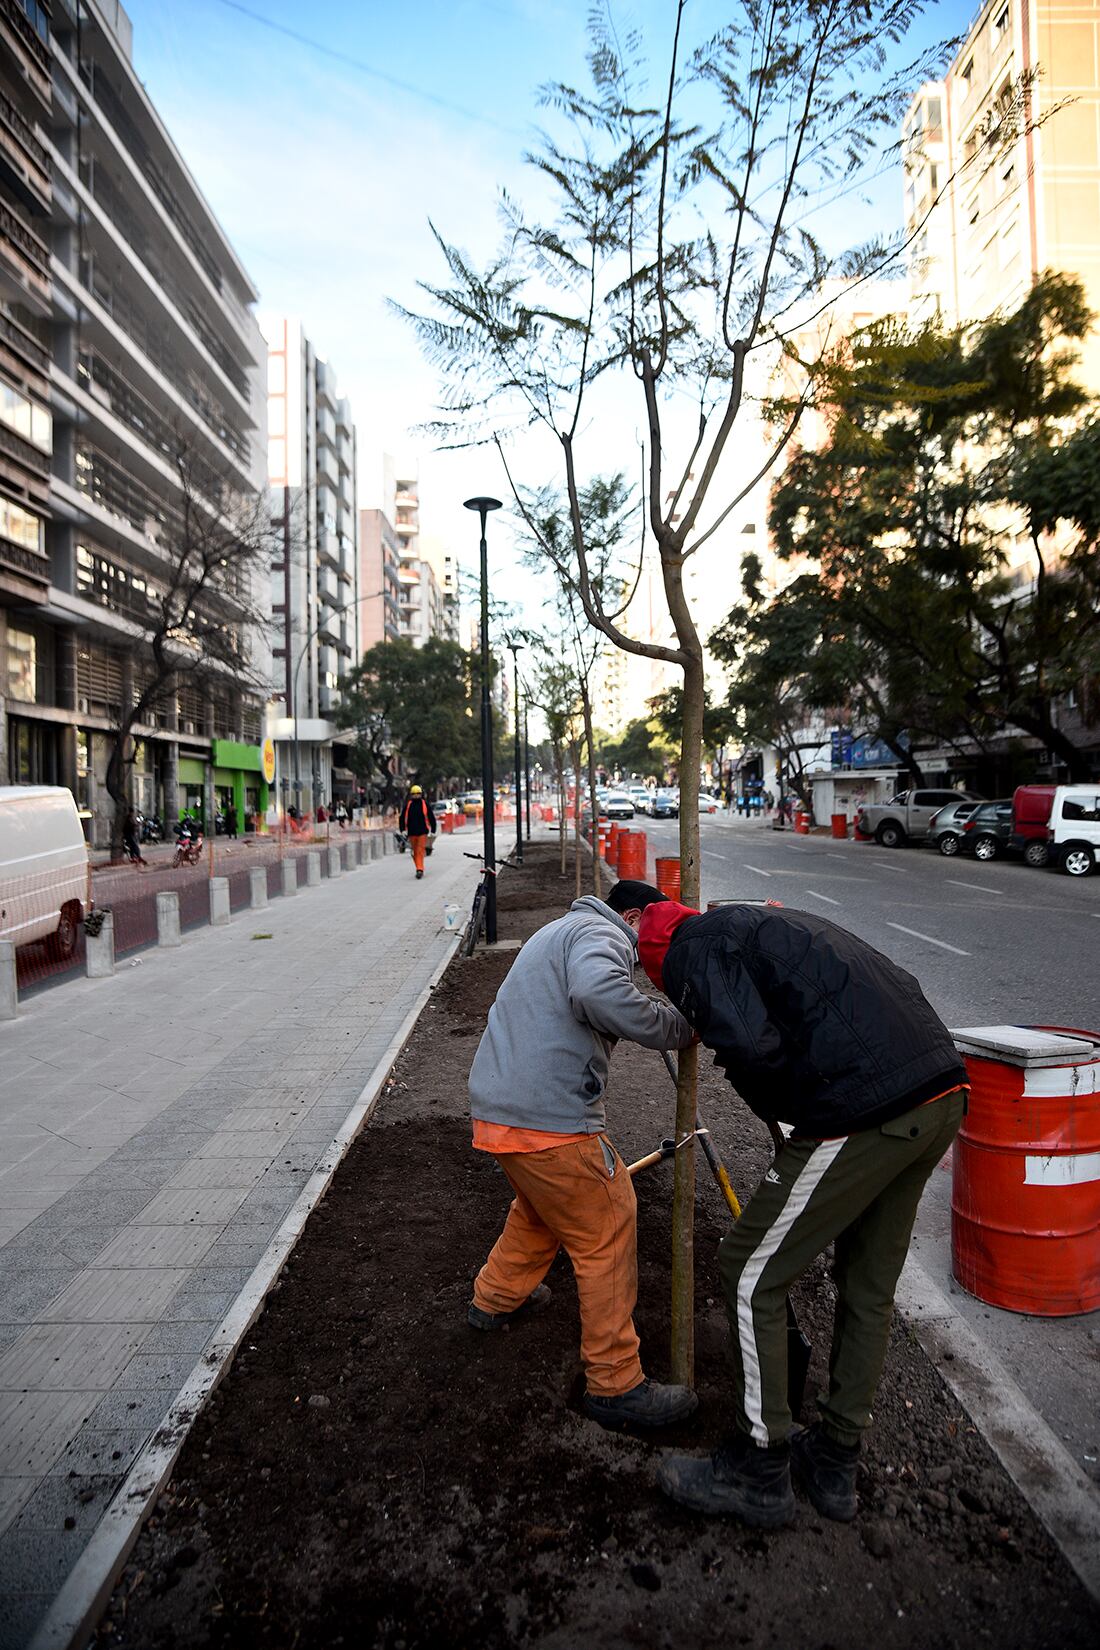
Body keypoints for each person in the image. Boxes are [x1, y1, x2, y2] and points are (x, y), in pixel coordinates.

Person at [634, 892, 967, 1529]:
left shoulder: (686, 951)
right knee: (867, 1287)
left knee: (748, 1273)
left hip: (865, 1104)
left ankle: (759, 1468)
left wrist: (790, 1117)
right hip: (941, 1086)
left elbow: (752, 1047)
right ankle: (836, 1462)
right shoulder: (759, 922)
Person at [467, 880, 698, 1432]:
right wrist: (678, 1026)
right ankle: (616, 1383)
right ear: (634, 915)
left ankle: (494, 1299)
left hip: (502, 1111)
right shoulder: (604, 931)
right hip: (548, 1118)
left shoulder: (557, 930)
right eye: (650, 936)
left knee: (543, 1209)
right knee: (608, 1219)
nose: (645, 958)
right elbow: (597, 994)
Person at [400, 784, 436, 878]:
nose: (416, 796)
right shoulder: (408, 805)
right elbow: (402, 817)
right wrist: (402, 829)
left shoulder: (425, 804)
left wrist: (433, 829)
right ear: (411, 795)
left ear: (421, 794)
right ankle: (419, 867)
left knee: (420, 850)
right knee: (414, 852)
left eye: (418, 794)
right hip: (411, 833)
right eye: (414, 794)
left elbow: (431, 817)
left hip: (422, 832)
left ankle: (419, 869)